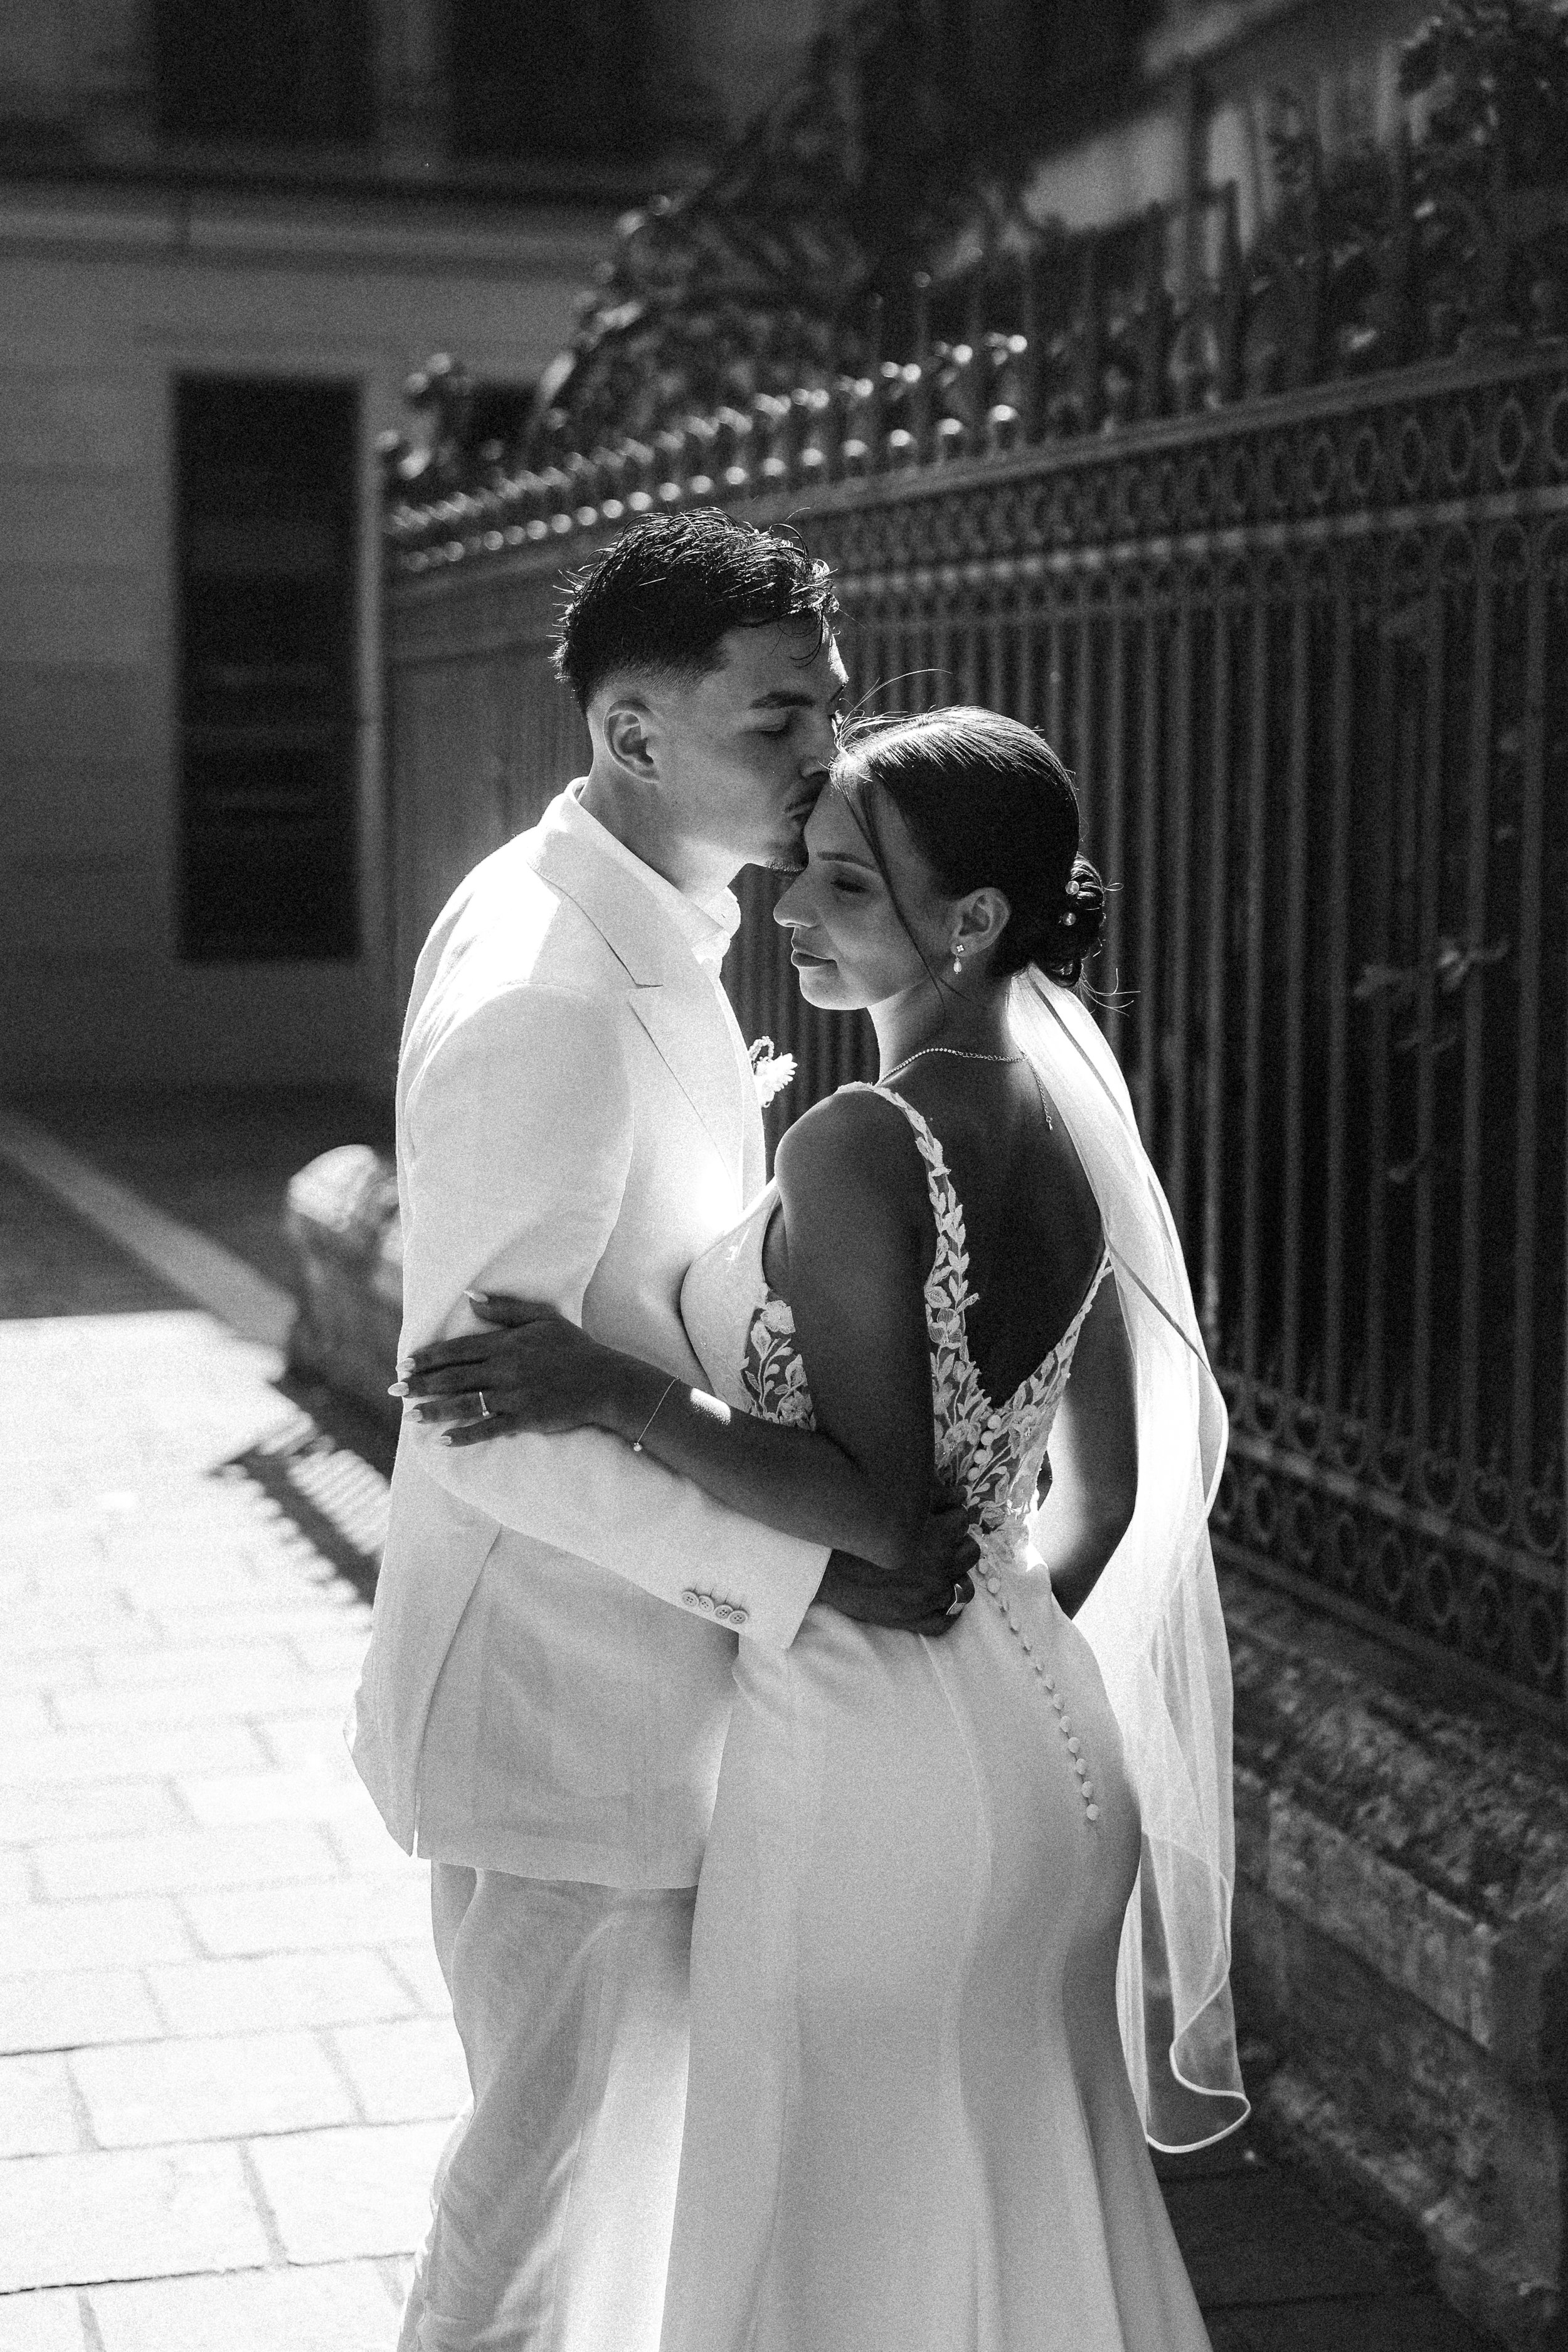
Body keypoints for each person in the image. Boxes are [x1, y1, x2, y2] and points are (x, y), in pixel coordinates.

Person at [404, 706, 1249, 2351]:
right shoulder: (1066, 1125)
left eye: (849, 885)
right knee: (1011, 2204)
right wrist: (985, 1644)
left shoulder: (866, 1141)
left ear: (972, 919)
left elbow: (869, 1510)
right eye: (807, 865)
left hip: (870, 1752)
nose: (790, 905)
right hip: (1049, 1740)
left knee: (827, 2227)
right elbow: (1108, 1493)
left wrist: (610, 1386)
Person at [350, 515, 980, 2352]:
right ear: (632, 732)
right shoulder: (552, 990)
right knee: (537, 2226)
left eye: (831, 709)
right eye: (779, 719)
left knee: (618, 2216)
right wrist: (807, 1574)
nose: (827, 756)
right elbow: (478, 1421)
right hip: (565, 1709)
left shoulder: (619, 913)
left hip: (622, 1690)